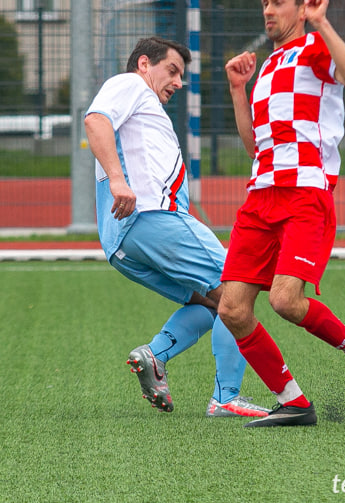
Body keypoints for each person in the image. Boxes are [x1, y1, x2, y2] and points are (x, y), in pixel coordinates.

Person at [220, 0, 345, 428]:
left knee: (285, 301)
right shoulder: (268, 66)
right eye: (265, 4)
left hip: (304, 194)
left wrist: (323, 24)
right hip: (260, 196)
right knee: (232, 308)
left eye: (277, 2)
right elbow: (255, 146)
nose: (269, 11)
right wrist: (238, 91)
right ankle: (293, 401)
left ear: (300, 5)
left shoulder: (314, 47)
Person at [84, 36, 269, 417]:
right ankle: (226, 398)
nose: (178, 82)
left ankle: (154, 355)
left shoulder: (144, 104)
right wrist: (119, 180)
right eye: (172, 70)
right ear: (143, 65)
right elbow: (94, 120)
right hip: (152, 220)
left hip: (123, 243)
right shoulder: (130, 84)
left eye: (181, 75)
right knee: (237, 292)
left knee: (208, 303)